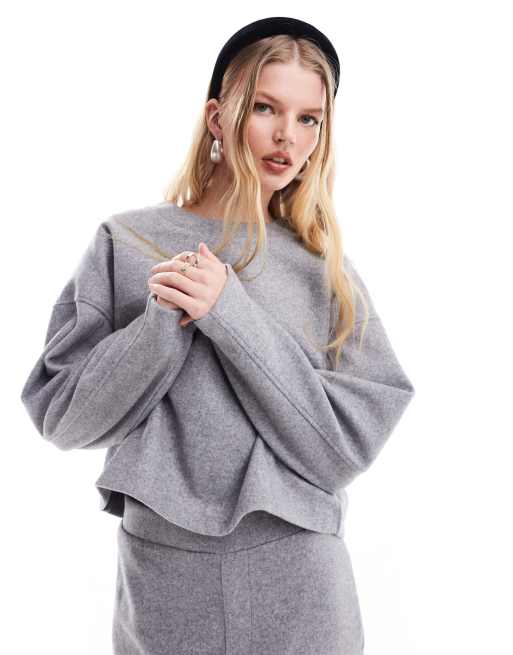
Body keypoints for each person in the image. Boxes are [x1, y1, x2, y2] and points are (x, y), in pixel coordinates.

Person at [20, 16, 415, 655]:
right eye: (265, 108)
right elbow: (64, 418)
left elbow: (341, 450)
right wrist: (162, 322)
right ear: (217, 116)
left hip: (301, 577)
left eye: (309, 119)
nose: (287, 136)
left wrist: (228, 312)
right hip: (163, 578)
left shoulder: (326, 272)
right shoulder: (128, 242)